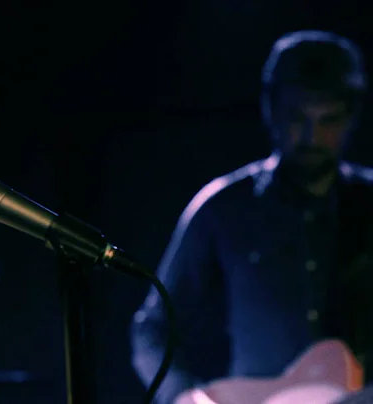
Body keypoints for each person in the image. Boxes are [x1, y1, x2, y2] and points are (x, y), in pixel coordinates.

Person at [131, 30, 373, 403]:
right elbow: (153, 327)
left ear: (351, 117)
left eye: (328, 119)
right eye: (297, 117)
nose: (311, 136)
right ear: (270, 109)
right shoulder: (221, 208)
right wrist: (183, 397)